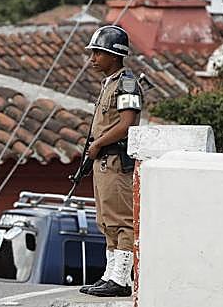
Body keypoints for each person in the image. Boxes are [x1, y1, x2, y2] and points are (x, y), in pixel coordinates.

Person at [78, 25, 142, 297]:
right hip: (103, 162)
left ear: (114, 56)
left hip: (116, 160)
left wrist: (99, 143)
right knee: (105, 220)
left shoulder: (126, 83)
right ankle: (110, 275)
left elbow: (127, 123)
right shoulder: (110, 84)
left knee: (121, 220)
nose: (92, 58)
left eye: (97, 53)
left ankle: (121, 279)